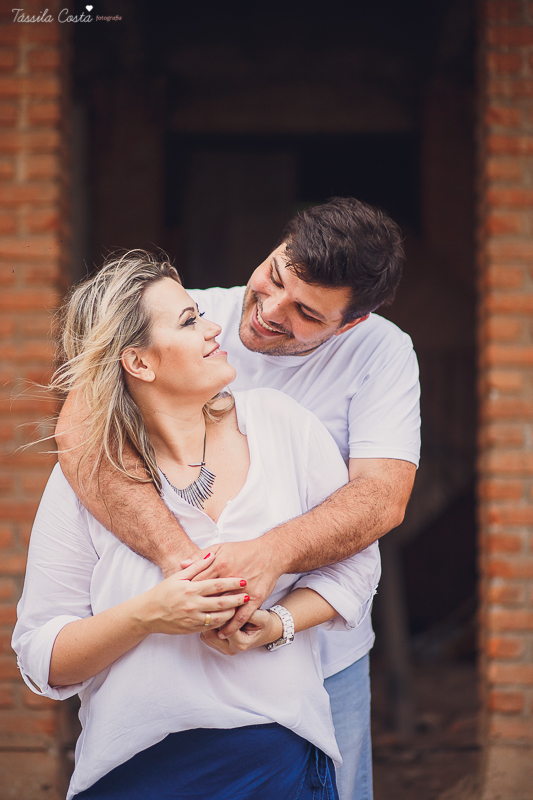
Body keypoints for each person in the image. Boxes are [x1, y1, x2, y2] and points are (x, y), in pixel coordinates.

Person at [56, 197, 421, 800]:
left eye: (305, 312)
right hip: (170, 663)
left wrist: (268, 556)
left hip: (318, 655)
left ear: (350, 323)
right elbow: (78, 430)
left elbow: (381, 499)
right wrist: (186, 567)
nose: (270, 311)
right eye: (275, 276)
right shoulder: (193, 321)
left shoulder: (381, 353)